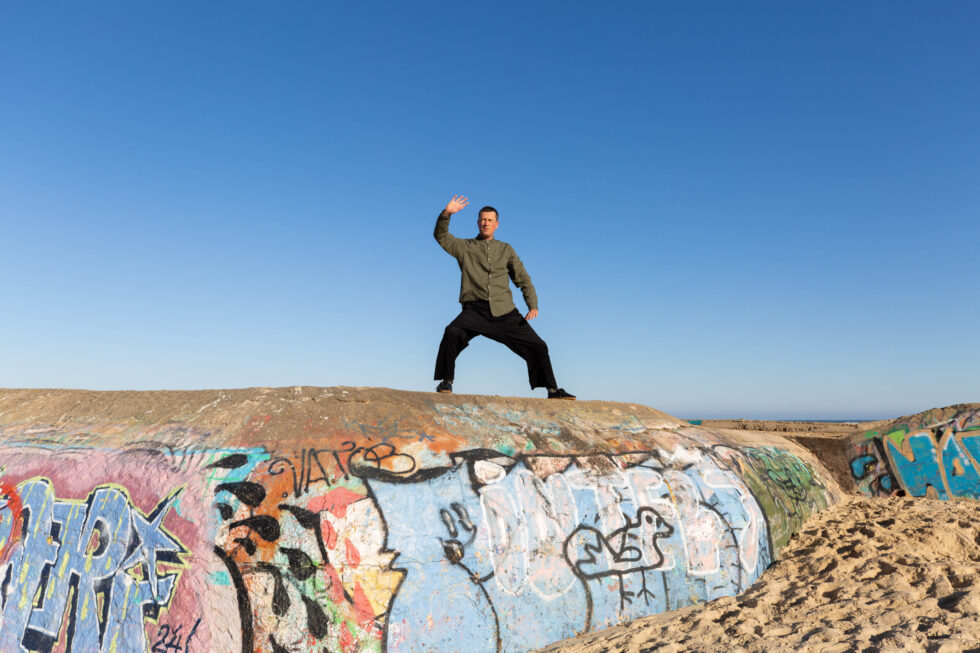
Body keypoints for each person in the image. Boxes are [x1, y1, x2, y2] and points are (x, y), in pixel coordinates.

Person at [432, 195, 575, 399]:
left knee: (538, 346)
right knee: (452, 332)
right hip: (475, 311)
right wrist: (446, 213)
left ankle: (552, 390)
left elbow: (522, 277)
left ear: (496, 224)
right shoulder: (465, 247)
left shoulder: (506, 249)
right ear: (478, 222)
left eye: (490, 220)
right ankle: (446, 381)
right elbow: (441, 237)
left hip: (505, 312)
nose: (486, 223)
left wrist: (532, 304)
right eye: (483, 219)